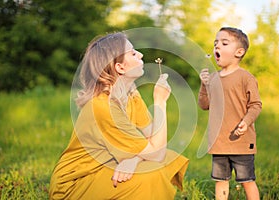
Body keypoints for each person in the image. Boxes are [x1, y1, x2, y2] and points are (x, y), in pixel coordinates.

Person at [49, 32, 189, 200]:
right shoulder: (102, 107)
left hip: (107, 167)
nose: (141, 54)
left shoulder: (131, 95)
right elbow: (155, 153)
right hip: (75, 184)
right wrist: (160, 102)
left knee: (168, 157)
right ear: (120, 67)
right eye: (133, 53)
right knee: (153, 172)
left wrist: (133, 161)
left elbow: (154, 139)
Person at [198, 27, 262, 200]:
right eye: (215, 43)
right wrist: (204, 85)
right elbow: (204, 105)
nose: (217, 46)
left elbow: (256, 105)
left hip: (241, 141)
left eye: (224, 43)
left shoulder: (245, 78)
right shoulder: (212, 78)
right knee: (221, 181)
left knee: (247, 180)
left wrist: (246, 122)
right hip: (219, 141)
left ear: (239, 52)